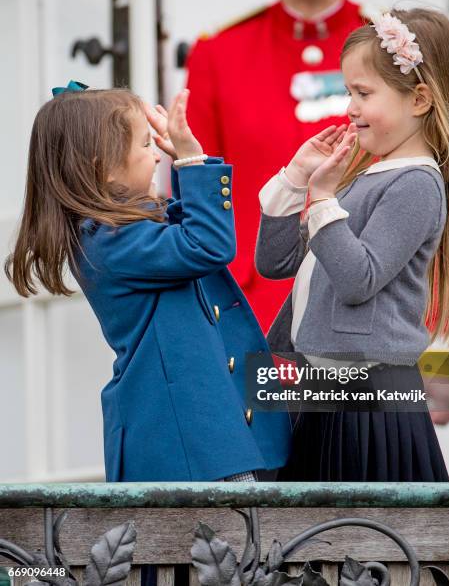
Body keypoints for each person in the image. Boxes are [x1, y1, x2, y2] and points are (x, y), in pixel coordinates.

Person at [4, 84, 291, 484]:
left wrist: (193, 164)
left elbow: (187, 229)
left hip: (210, 437)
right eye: (145, 144)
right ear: (103, 165)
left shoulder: (124, 233)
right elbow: (207, 244)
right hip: (193, 442)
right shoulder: (109, 240)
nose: (158, 154)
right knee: (234, 543)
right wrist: (191, 162)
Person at [255, 7, 449, 481]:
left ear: (419, 99)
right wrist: (296, 181)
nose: (350, 107)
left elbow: (359, 279)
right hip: (325, 393)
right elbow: (275, 263)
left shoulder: (417, 184)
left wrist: (322, 200)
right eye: (348, 91)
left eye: (363, 93)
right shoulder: (362, 179)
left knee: (358, 545)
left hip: (370, 403)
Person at [186, 0, 365, 333]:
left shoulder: (392, 45)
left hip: (373, 296)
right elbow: (194, 193)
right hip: (254, 310)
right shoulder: (218, 53)